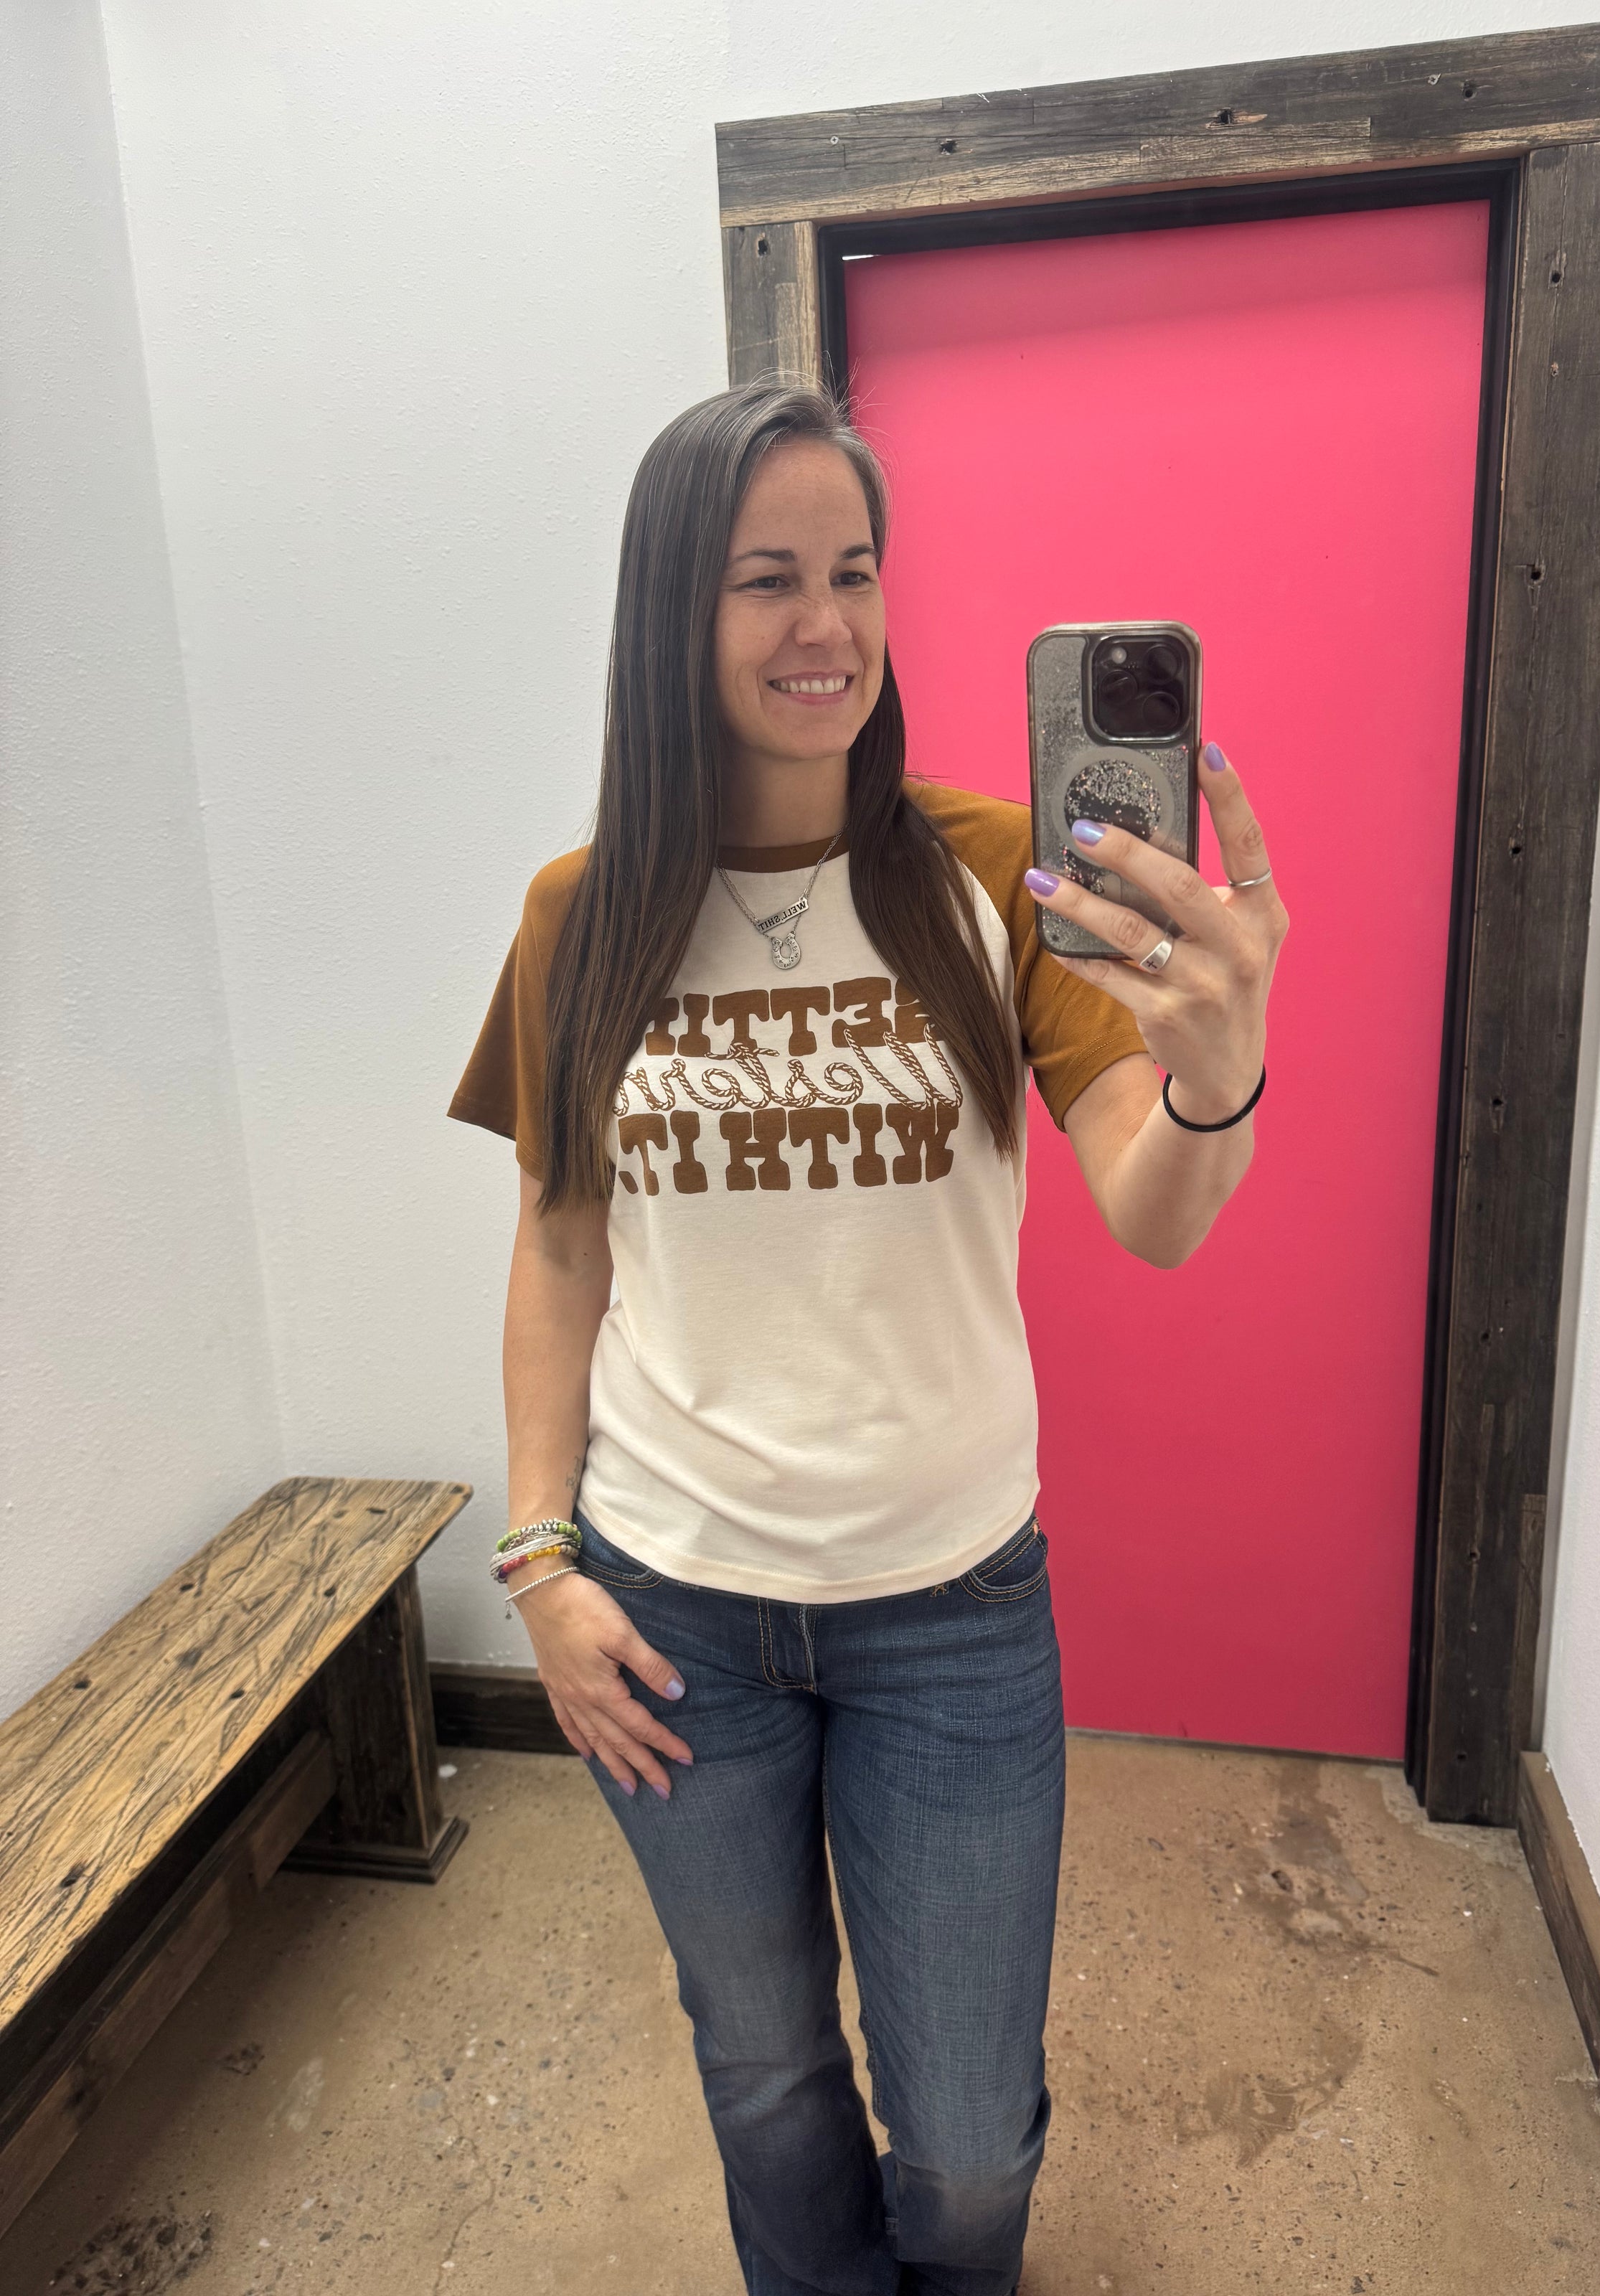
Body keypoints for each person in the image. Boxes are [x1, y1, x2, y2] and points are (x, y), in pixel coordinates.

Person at [447, 376, 1286, 2295]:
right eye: (766, 578)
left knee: (971, 2143)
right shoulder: (582, 916)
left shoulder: (996, 874)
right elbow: (561, 1248)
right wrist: (540, 1556)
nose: (825, 624)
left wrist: (1217, 1078)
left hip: (952, 1613)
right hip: (672, 1608)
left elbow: (1153, 1211)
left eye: (855, 570)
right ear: (673, 608)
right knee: (761, 2073)